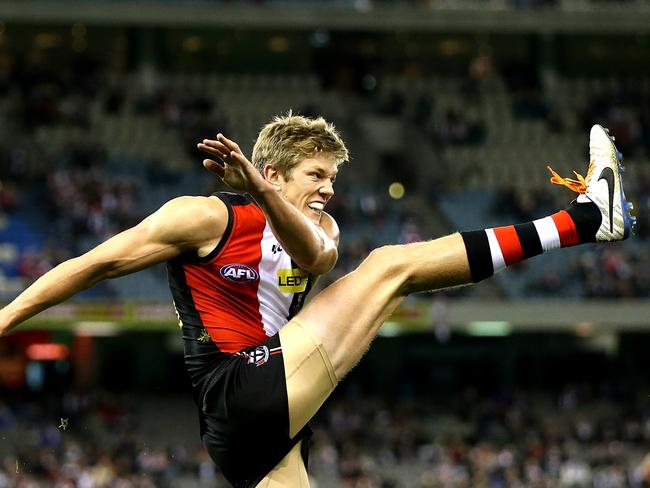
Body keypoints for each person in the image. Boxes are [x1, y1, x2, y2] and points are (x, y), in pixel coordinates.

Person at [0, 117, 636, 487]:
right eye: (316, 176)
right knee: (391, 266)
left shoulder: (318, 229)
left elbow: (316, 259)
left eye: (333, 178)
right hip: (236, 389)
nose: (329, 189)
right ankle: (581, 221)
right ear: (271, 174)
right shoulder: (199, 218)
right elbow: (90, 266)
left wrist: (267, 192)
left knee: (380, 269)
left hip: (264, 427)